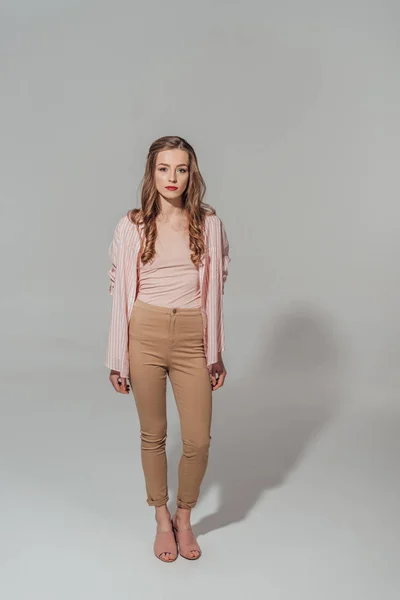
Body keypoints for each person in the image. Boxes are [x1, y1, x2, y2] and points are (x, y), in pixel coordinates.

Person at [105, 135, 231, 562]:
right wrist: (117, 357)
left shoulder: (209, 224)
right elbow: (118, 286)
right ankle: (161, 518)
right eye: (164, 168)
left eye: (181, 168)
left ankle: (184, 516)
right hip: (146, 331)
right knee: (153, 434)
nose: (172, 177)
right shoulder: (133, 226)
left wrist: (214, 351)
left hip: (192, 334)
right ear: (151, 173)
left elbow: (217, 284)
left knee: (197, 439)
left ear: (191, 173)